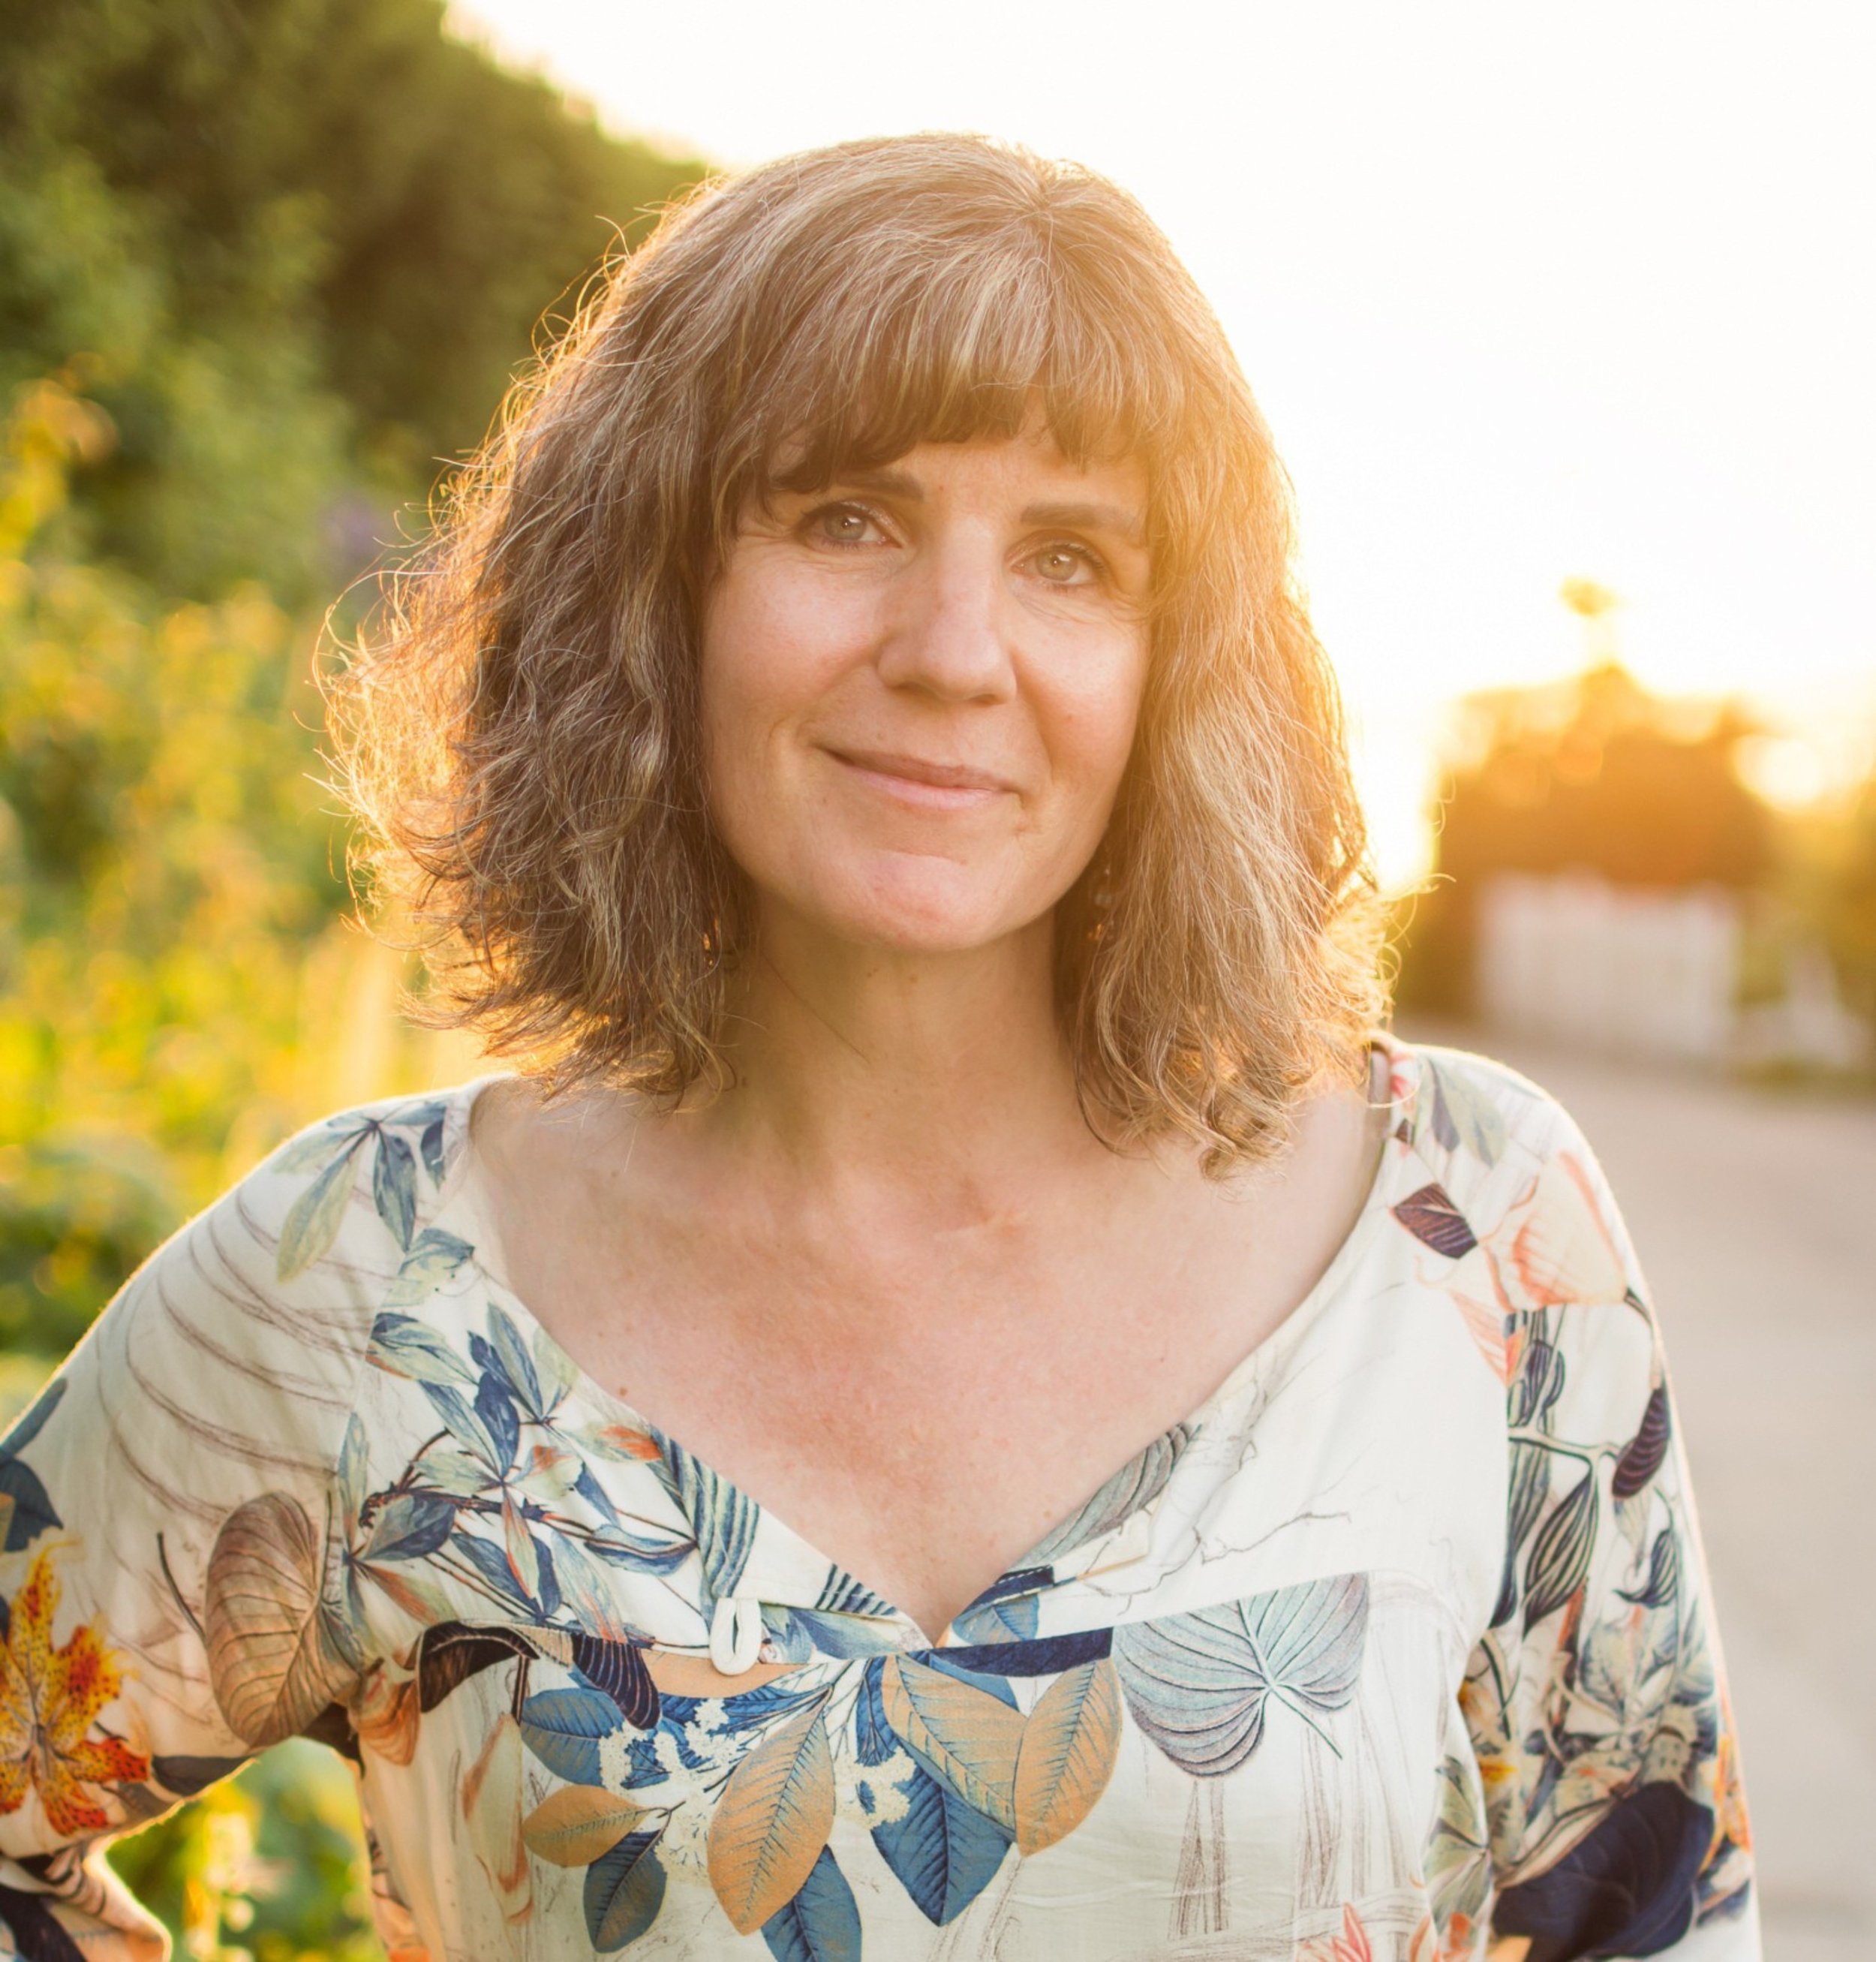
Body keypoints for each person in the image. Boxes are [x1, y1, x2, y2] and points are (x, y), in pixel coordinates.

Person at [0, 134, 1754, 1961]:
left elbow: (1654, 1921)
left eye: (1071, 557)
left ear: (1184, 662)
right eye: (845, 516)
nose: (952, 648)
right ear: (647, 580)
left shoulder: (1466, 1230)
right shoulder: (374, 1277)